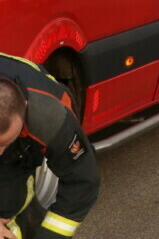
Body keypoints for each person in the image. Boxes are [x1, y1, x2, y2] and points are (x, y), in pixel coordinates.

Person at [0, 54, 99, 239]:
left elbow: (82, 182)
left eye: (3, 143)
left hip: (27, 141)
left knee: (6, 206)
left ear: (25, 111)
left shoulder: (50, 119)